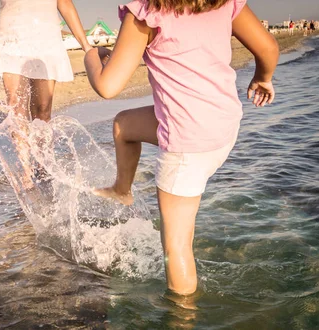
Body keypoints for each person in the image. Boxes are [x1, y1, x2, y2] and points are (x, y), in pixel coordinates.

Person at [84, 0, 279, 295]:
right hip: (224, 126)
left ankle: (182, 315)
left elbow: (108, 86)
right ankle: (122, 190)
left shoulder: (147, 12)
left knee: (176, 249)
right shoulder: (223, 3)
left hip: (187, 145)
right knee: (124, 125)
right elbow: (268, 49)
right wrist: (262, 78)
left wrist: (91, 56)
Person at [0, 0, 92, 122]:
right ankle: (23, 154)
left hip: (46, 39)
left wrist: (87, 46)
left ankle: (43, 154)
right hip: (12, 39)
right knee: (16, 105)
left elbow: (66, 5)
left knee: (42, 110)